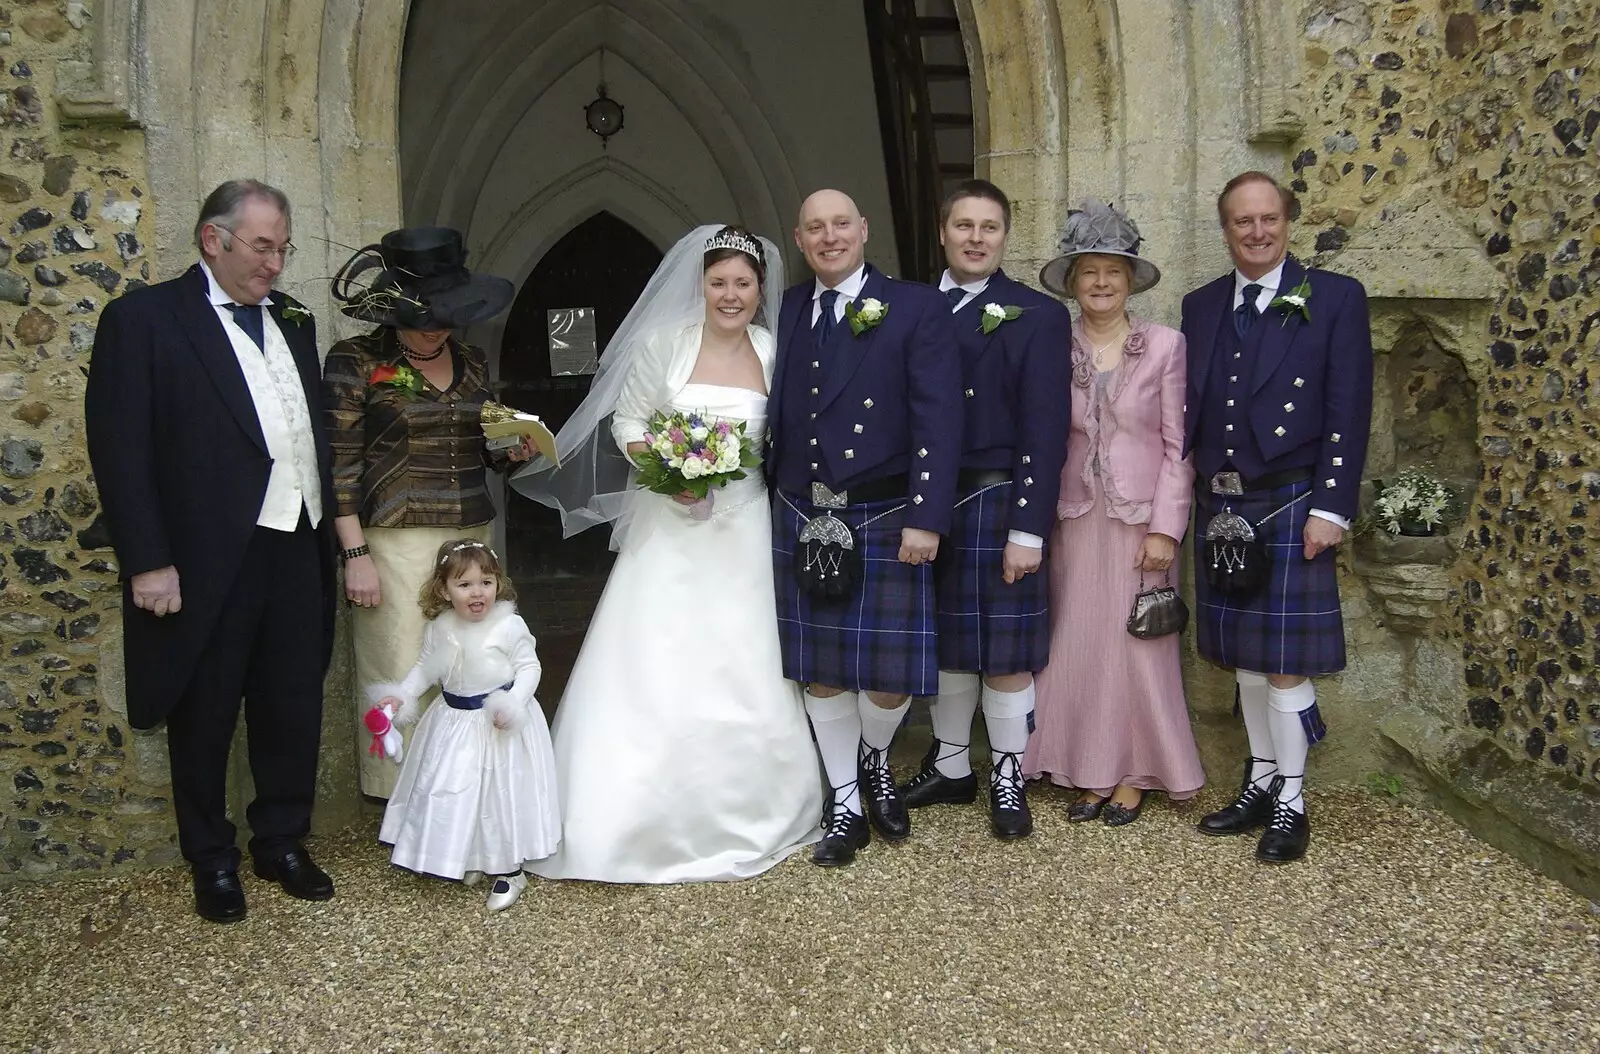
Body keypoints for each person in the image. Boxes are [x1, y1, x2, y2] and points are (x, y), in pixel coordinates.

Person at [514, 225, 823, 883]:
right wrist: (669, 468)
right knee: (656, 654)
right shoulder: (664, 346)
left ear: (759, 289)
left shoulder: (774, 352)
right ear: (701, 287)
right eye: (719, 283)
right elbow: (627, 423)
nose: (731, 295)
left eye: (743, 283)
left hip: (741, 528)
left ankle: (758, 808)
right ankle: (627, 817)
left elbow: (791, 433)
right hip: (669, 524)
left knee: (744, 657)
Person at [83, 179, 337, 922]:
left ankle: (281, 840)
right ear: (212, 239)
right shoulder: (144, 321)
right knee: (206, 707)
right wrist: (147, 560)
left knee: (292, 700)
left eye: (282, 248)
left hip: (297, 541)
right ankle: (212, 857)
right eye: (263, 246)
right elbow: (120, 450)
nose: (275, 264)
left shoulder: (294, 322)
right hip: (203, 555)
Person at [1182, 172, 1373, 863]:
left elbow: (1350, 409)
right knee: (1245, 659)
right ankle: (1261, 781)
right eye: (1241, 222)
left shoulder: (1335, 298)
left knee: (1286, 664)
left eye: (1268, 219)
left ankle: (1292, 800)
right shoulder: (1200, 306)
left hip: (1293, 499)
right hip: (1224, 504)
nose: (1256, 232)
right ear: (1224, 228)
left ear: (1288, 221)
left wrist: (1332, 507)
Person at [770, 189, 964, 866]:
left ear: (863, 230)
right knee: (823, 672)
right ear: (799, 238)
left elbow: (940, 420)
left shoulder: (914, 305)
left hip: (884, 511)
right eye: (815, 228)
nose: (829, 237)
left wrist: (927, 516)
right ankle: (847, 801)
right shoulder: (791, 308)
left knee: (888, 676)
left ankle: (877, 759)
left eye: (840, 225)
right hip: (802, 508)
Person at [322, 227, 532, 799]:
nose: (436, 326)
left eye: (445, 314)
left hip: (469, 532)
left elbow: (485, 448)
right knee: (402, 664)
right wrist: (354, 553)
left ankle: (467, 792)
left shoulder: (471, 360)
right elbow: (339, 466)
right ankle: (403, 801)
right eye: (422, 316)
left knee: (470, 662)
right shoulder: (356, 361)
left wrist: (512, 449)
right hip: (391, 539)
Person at [896, 180, 1073, 840]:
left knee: (1004, 651)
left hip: (999, 496)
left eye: (989, 227)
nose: (975, 238)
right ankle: (948, 767)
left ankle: (1006, 771)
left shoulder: (1038, 314)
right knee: (942, 644)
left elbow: (1047, 428)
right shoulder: (905, 308)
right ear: (942, 234)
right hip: (922, 501)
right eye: (963, 225)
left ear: (1006, 236)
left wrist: (1028, 526)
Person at [1022, 200, 1204, 823]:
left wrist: (1166, 529)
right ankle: (1088, 768)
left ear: (1131, 281)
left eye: (1114, 272)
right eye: (1089, 271)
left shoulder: (1164, 346)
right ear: (1072, 282)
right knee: (1079, 644)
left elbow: (1180, 445)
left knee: (1138, 648)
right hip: (1073, 517)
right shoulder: (1051, 344)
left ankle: (1134, 772)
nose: (1101, 283)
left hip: (1139, 523)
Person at [371, 539, 559, 910]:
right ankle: (473, 854)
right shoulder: (440, 626)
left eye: (486, 583)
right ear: (444, 589)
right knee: (456, 790)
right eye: (465, 584)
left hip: (496, 725)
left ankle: (509, 870)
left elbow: (529, 668)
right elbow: (426, 668)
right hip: (453, 724)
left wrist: (513, 704)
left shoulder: (509, 625)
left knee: (499, 795)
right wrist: (401, 695)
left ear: (498, 584)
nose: (478, 593)